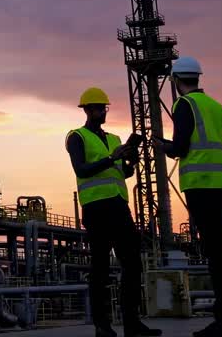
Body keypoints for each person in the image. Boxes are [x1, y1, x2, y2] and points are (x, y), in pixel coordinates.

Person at [157, 56, 222, 337]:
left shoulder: (184, 105)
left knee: (216, 254)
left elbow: (180, 147)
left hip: (200, 185)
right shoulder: (216, 107)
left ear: (176, 81)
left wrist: (162, 145)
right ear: (198, 77)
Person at [67, 87, 161, 337]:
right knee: (100, 268)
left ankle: (132, 323)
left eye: (105, 107)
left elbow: (123, 173)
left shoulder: (115, 139)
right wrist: (111, 158)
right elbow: (81, 170)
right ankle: (102, 325)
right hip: (96, 208)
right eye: (99, 108)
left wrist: (130, 160)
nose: (103, 112)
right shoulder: (76, 137)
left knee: (132, 264)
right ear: (87, 110)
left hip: (119, 206)